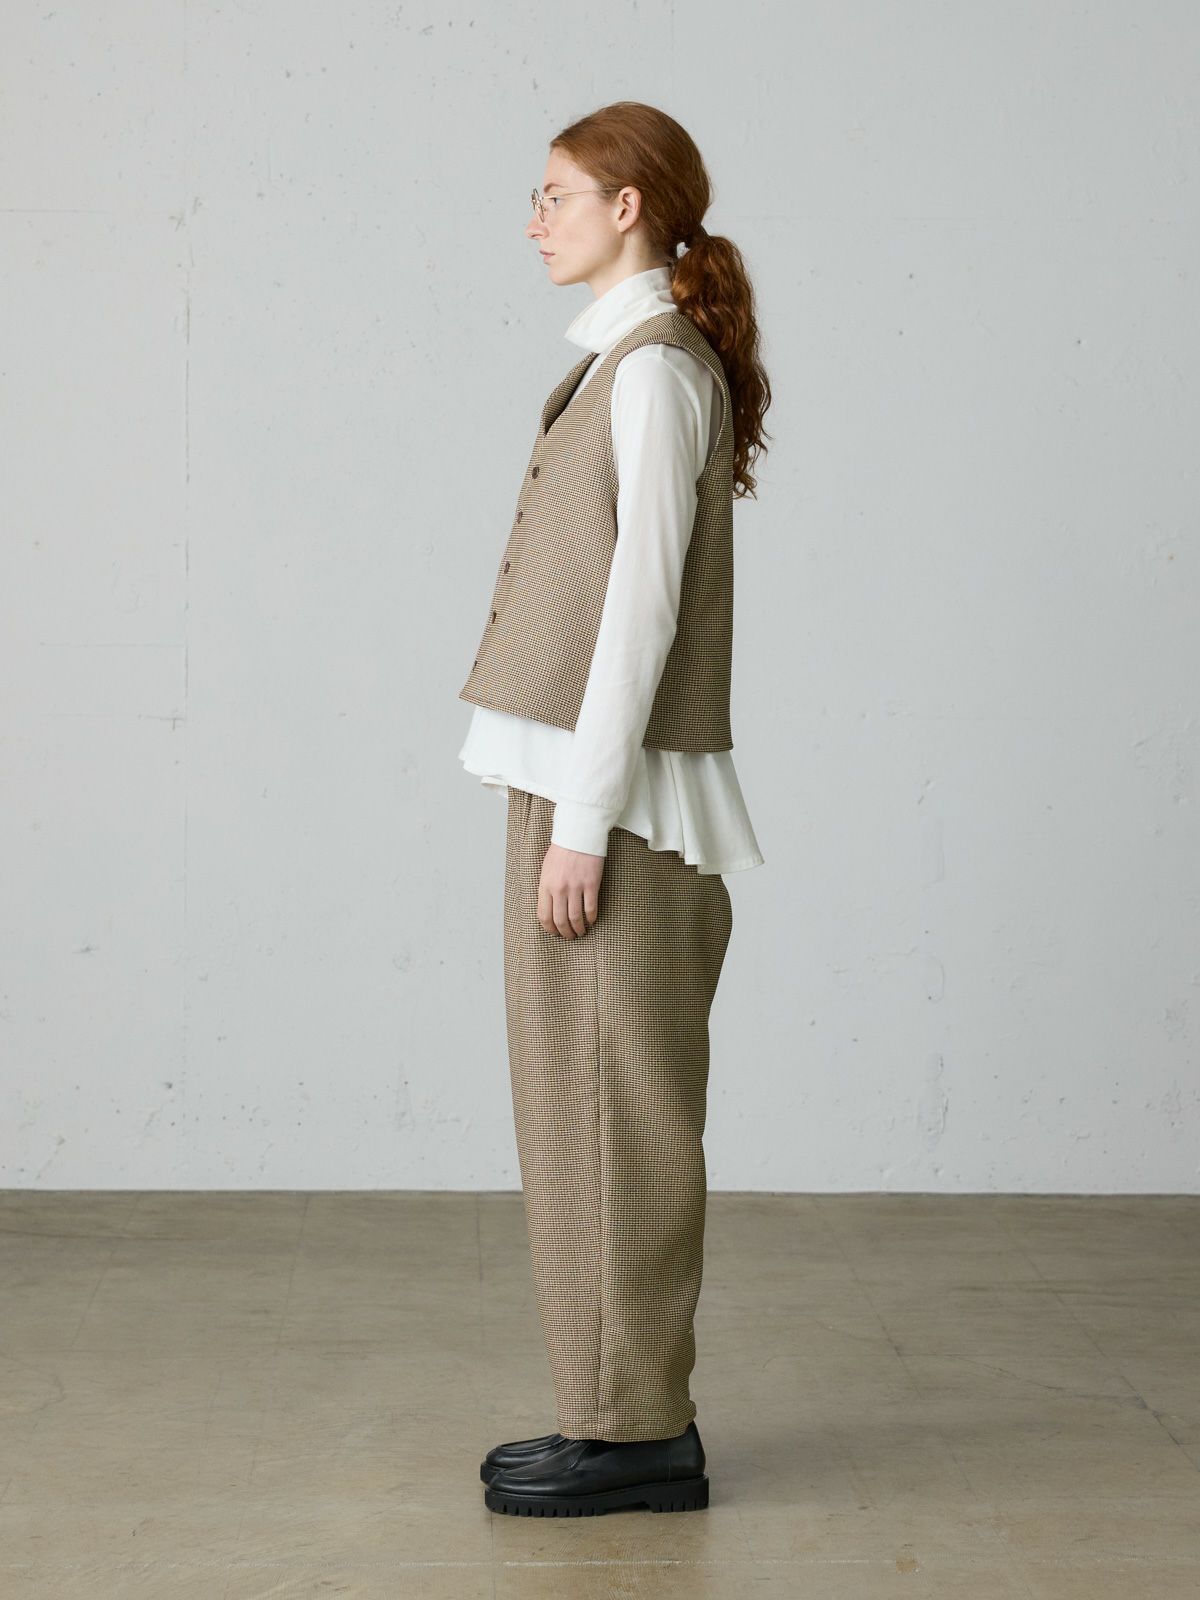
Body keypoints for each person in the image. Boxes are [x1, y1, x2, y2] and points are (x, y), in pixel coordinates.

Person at [457, 100, 772, 1517]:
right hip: (583, 792)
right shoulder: (622, 364)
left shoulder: (653, 373)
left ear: (627, 206)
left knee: (618, 1117)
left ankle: (637, 1433)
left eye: (556, 195)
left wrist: (581, 824)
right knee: (576, 1111)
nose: (536, 220)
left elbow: (641, 615)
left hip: (618, 813)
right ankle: (609, 1415)